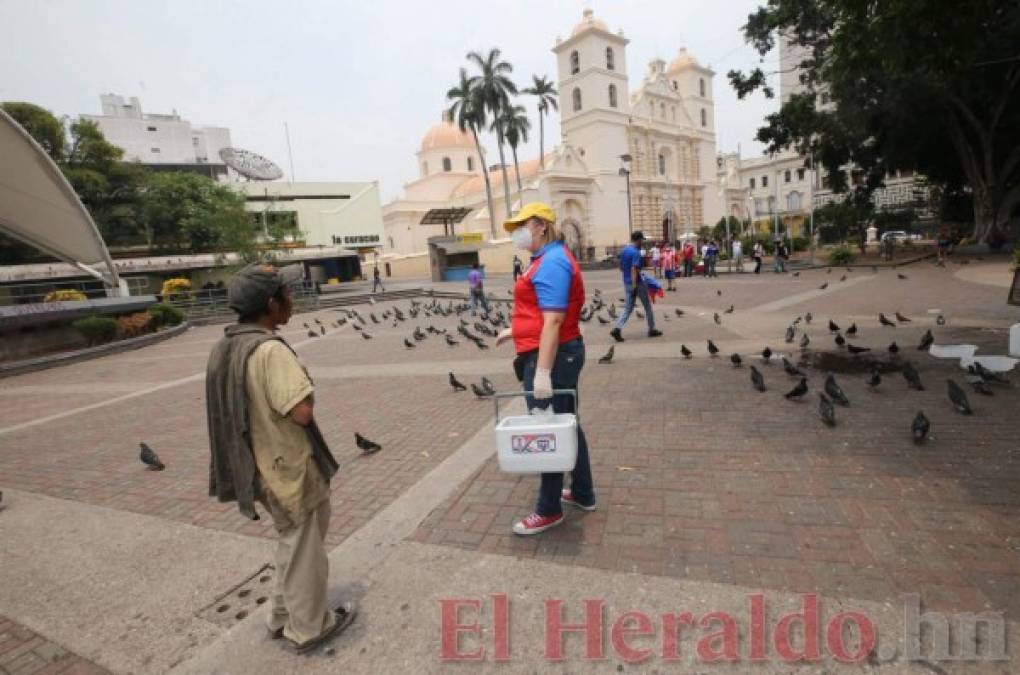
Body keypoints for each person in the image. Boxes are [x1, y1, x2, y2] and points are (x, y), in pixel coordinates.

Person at [205, 264, 354, 653]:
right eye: (286, 295)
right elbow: (300, 411)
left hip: (255, 467)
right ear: (271, 304)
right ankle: (309, 627)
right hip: (288, 468)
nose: (292, 302)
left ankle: (281, 616)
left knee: (292, 542)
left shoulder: (226, 346)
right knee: (306, 549)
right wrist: (305, 380)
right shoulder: (269, 349)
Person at [496, 202, 595, 535]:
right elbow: (542, 314)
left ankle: (549, 509)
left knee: (548, 429)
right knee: (566, 423)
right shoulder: (545, 258)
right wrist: (516, 330)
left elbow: (553, 321)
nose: (516, 234)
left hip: (551, 355)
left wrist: (541, 372)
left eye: (520, 227)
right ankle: (582, 492)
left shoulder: (552, 261)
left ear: (539, 225)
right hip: (554, 349)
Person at [610, 230, 662, 342]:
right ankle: (651, 329)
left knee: (628, 308)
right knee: (647, 305)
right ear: (638, 240)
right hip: (636, 283)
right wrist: (634, 285)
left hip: (626, 282)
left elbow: (621, 268)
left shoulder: (624, 250)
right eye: (642, 240)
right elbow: (634, 269)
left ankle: (617, 328)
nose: (642, 242)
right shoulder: (635, 252)